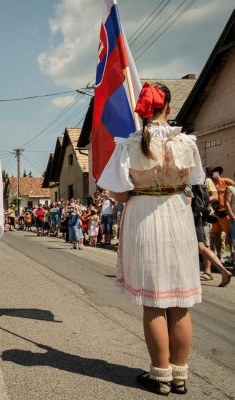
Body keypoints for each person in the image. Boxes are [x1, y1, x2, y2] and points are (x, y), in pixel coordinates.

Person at [98, 83, 205, 395]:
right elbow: (195, 181)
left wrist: (136, 187)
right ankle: (180, 375)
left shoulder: (128, 145)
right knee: (180, 302)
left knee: (153, 302)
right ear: (168, 109)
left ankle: (160, 374)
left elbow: (117, 193)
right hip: (177, 213)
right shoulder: (186, 142)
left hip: (144, 214)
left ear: (141, 111)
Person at [208, 166, 233, 264]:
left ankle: (232, 255)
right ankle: (218, 254)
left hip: (225, 212)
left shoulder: (227, 181)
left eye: (211, 173)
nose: (210, 176)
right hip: (215, 213)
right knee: (215, 235)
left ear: (217, 172)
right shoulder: (211, 184)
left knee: (229, 235)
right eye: (209, 174)